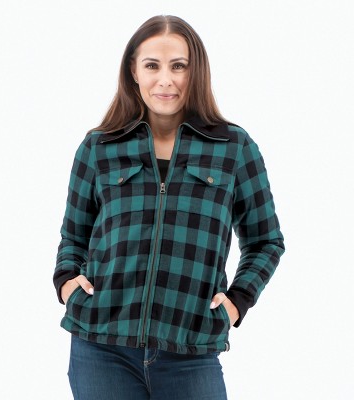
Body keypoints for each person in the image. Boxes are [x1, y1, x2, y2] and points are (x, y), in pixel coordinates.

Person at [53, 15, 285, 400]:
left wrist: (237, 302)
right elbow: (74, 236)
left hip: (191, 352)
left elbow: (266, 241)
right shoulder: (99, 147)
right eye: (152, 66)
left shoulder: (233, 148)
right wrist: (66, 283)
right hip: (100, 348)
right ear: (133, 71)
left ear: (196, 72)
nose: (165, 80)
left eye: (178, 66)